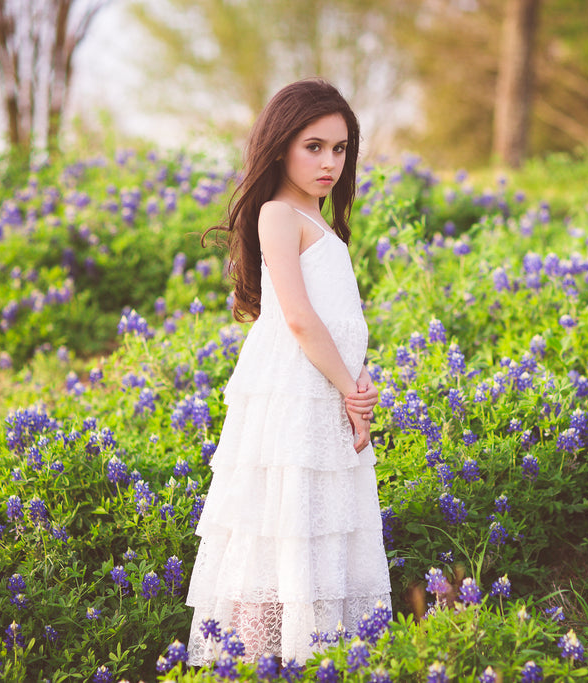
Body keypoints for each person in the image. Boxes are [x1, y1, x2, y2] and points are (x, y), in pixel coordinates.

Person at [184, 78, 391, 666]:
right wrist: (352, 389)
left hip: (326, 387)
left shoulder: (316, 218)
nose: (330, 162)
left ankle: (316, 656)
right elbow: (299, 319)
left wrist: (360, 377)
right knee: (282, 524)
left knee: (318, 522)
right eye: (314, 146)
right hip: (300, 389)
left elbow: (338, 317)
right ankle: (260, 657)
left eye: (340, 149)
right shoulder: (278, 212)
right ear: (279, 147)